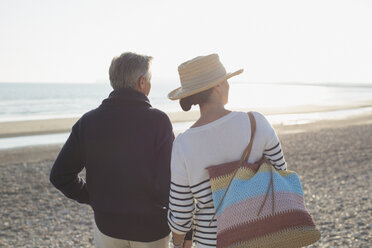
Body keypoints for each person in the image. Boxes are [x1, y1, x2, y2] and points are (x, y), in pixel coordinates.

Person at [50, 52, 174, 248]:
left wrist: (92, 197)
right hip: (151, 229)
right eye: (150, 79)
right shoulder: (158, 121)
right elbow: (168, 182)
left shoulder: (88, 121)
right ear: (142, 82)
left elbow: (60, 175)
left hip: (107, 227)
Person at [167, 54, 287, 248]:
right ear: (218, 85)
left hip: (212, 242)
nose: (228, 86)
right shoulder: (256, 122)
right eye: (226, 81)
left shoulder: (184, 143)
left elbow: (181, 212)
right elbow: (280, 173)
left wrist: (179, 242)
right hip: (261, 236)